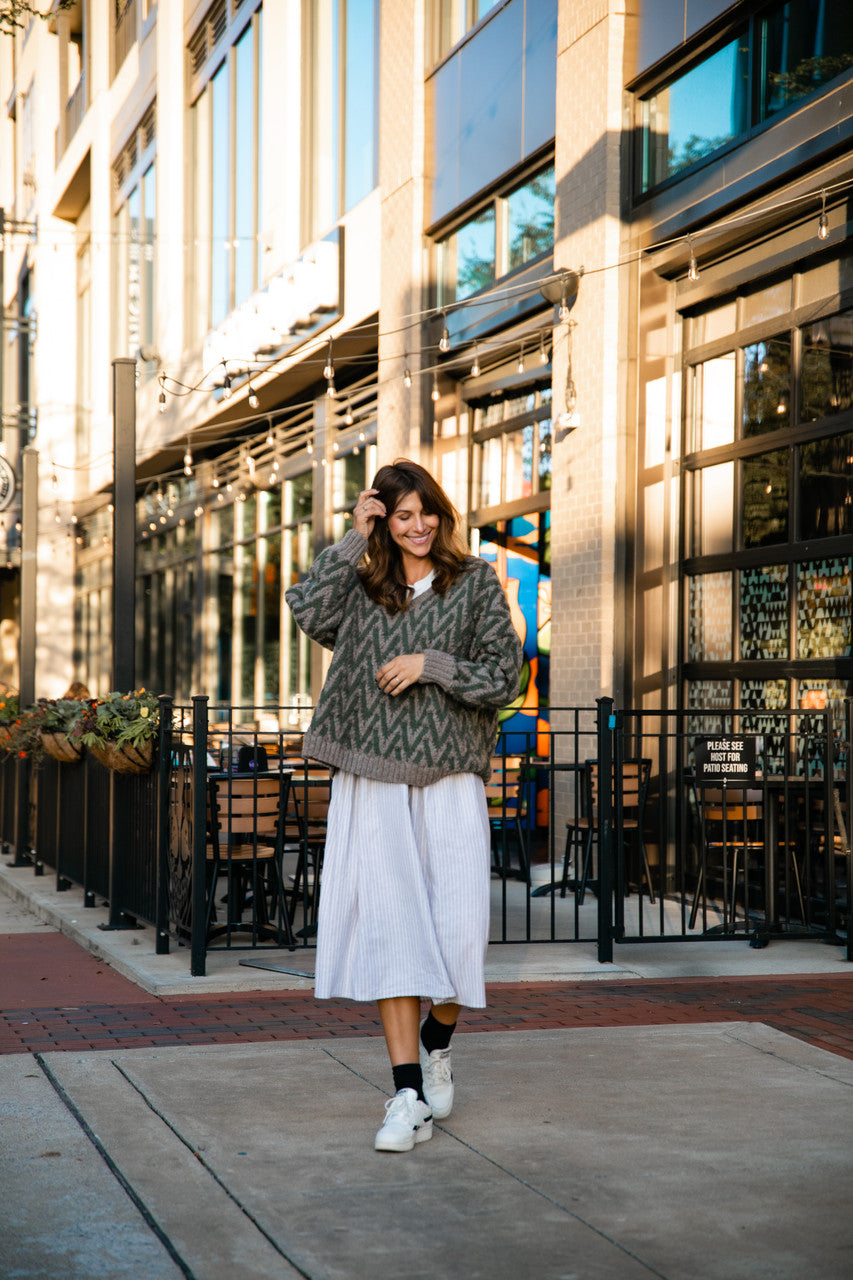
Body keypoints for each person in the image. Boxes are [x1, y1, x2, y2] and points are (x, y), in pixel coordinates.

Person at [285, 458, 522, 1153]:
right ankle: (407, 1094)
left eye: (426, 512)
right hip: (373, 778)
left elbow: (504, 676)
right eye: (401, 515)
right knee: (392, 929)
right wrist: (351, 540)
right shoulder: (363, 583)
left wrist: (431, 664)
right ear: (384, 520)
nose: (417, 526)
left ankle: (437, 1041)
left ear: (441, 515)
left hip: (449, 777)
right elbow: (306, 609)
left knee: (456, 934)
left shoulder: (474, 583)